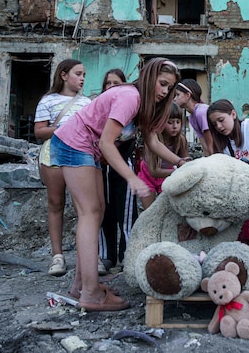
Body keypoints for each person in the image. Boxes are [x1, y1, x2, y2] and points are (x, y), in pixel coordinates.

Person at [53, 58, 185, 311]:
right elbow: (107, 143)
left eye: (169, 88)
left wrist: (180, 162)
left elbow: (153, 142)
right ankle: (91, 293)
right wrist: (132, 178)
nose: (165, 91)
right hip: (73, 143)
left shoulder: (145, 105)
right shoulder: (130, 97)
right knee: (90, 213)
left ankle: (80, 285)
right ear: (149, 77)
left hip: (87, 148)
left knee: (97, 211)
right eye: (162, 84)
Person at [33, 59, 91, 277]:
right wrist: (64, 128)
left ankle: (87, 256)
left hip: (80, 155)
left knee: (82, 207)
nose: (82, 78)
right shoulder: (48, 101)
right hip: (54, 154)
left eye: (84, 74)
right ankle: (57, 256)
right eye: (78, 74)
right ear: (64, 75)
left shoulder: (86, 102)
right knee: (56, 203)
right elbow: (39, 131)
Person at [97, 69, 138, 273]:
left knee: (127, 211)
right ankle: (106, 256)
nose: (112, 87)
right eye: (108, 83)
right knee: (103, 209)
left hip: (123, 164)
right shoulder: (99, 108)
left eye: (116, 83)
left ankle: (127, 254)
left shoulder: (129, 108)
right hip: (101, 165)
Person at [136, 102, 189, 209]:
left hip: (167, 176)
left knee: (167, 209)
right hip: (147, 175)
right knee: (149, 211)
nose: (175, 126)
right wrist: (177, 170)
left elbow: (186, 165)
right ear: (161, 122)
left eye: (178, 122)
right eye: (170, 122)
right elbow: (153, 171)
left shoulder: (181, 140)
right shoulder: (152, 140)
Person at [174, 79, 213, 156]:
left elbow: (210, 146)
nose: (175, 99)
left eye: (178, 95)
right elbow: (204, 146)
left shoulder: (201, 112)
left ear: (188, 95)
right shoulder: (192, 117)